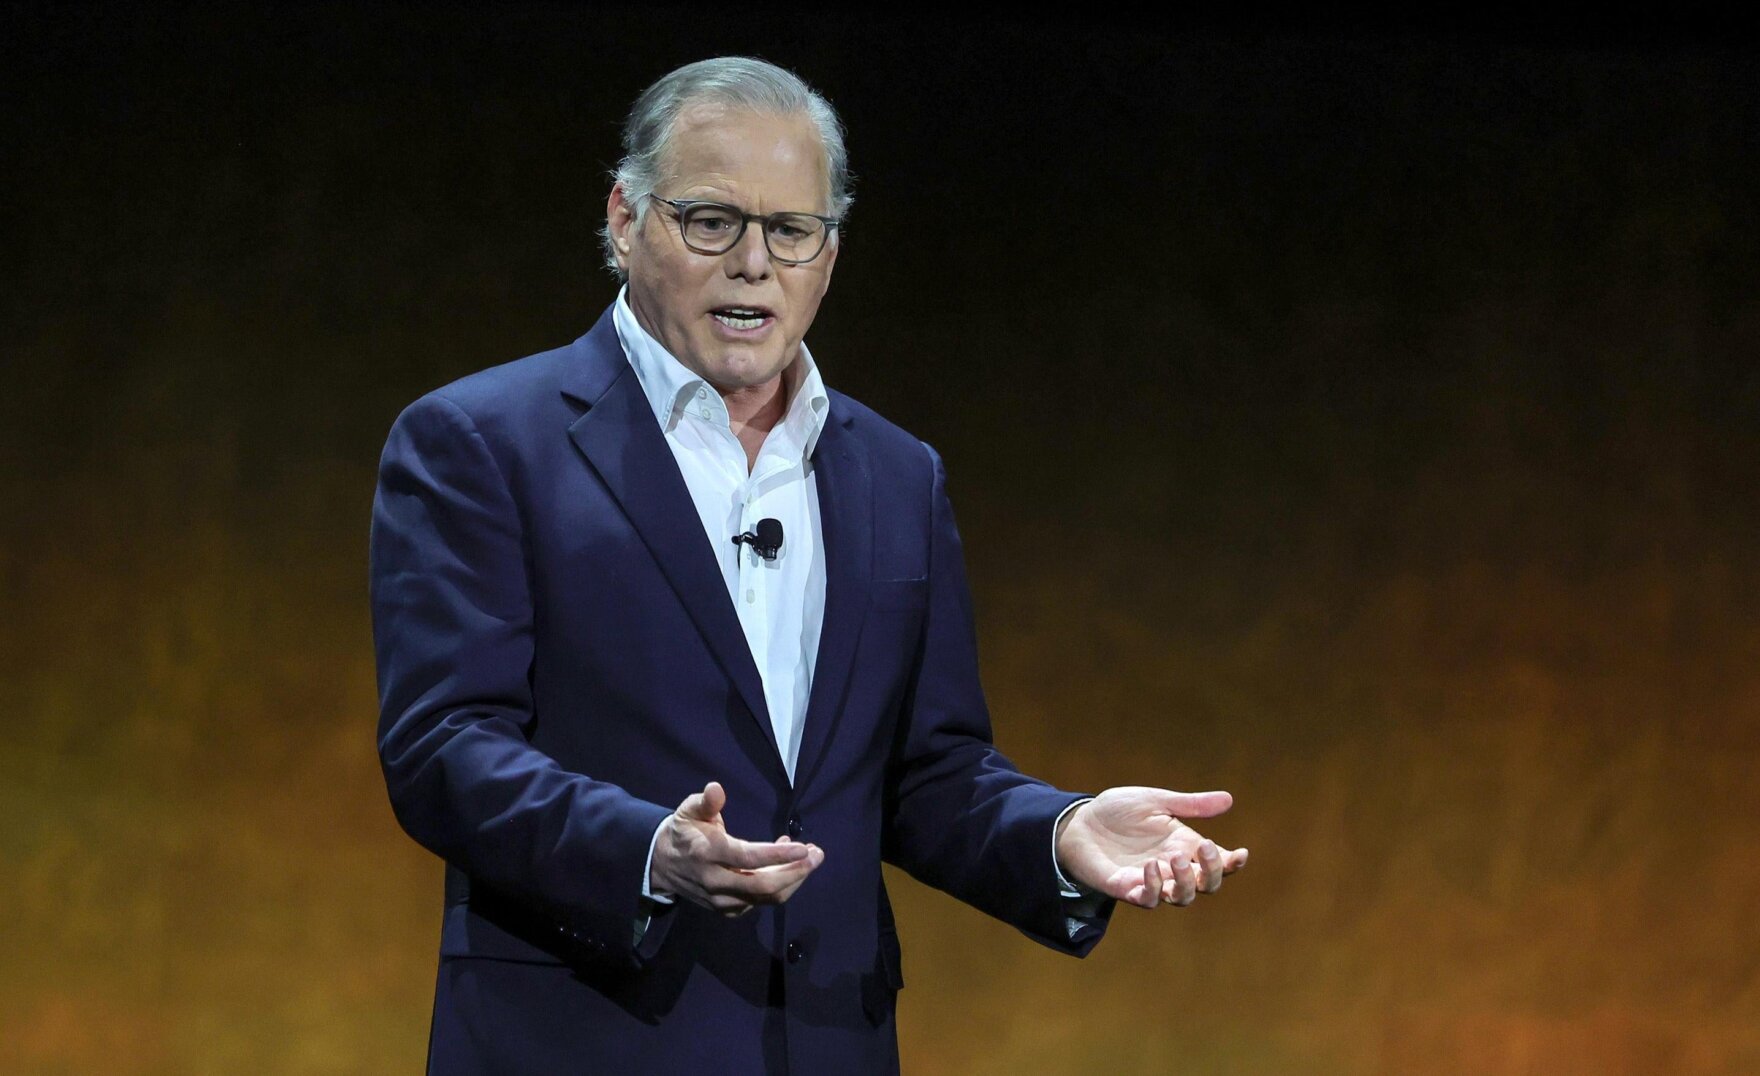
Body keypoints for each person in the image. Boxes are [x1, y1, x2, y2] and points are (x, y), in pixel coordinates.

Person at [370, 56, 1249, 1074]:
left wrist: (1058, 832)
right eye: (711, 222)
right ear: (624, 220)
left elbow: (929, 773)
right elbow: (444, 747)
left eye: (792, 230)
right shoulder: (481, 441)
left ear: (828, 255)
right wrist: (647, 848)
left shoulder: (893, 474)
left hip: (829, 1040)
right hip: (584, 1035)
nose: (755, 263)